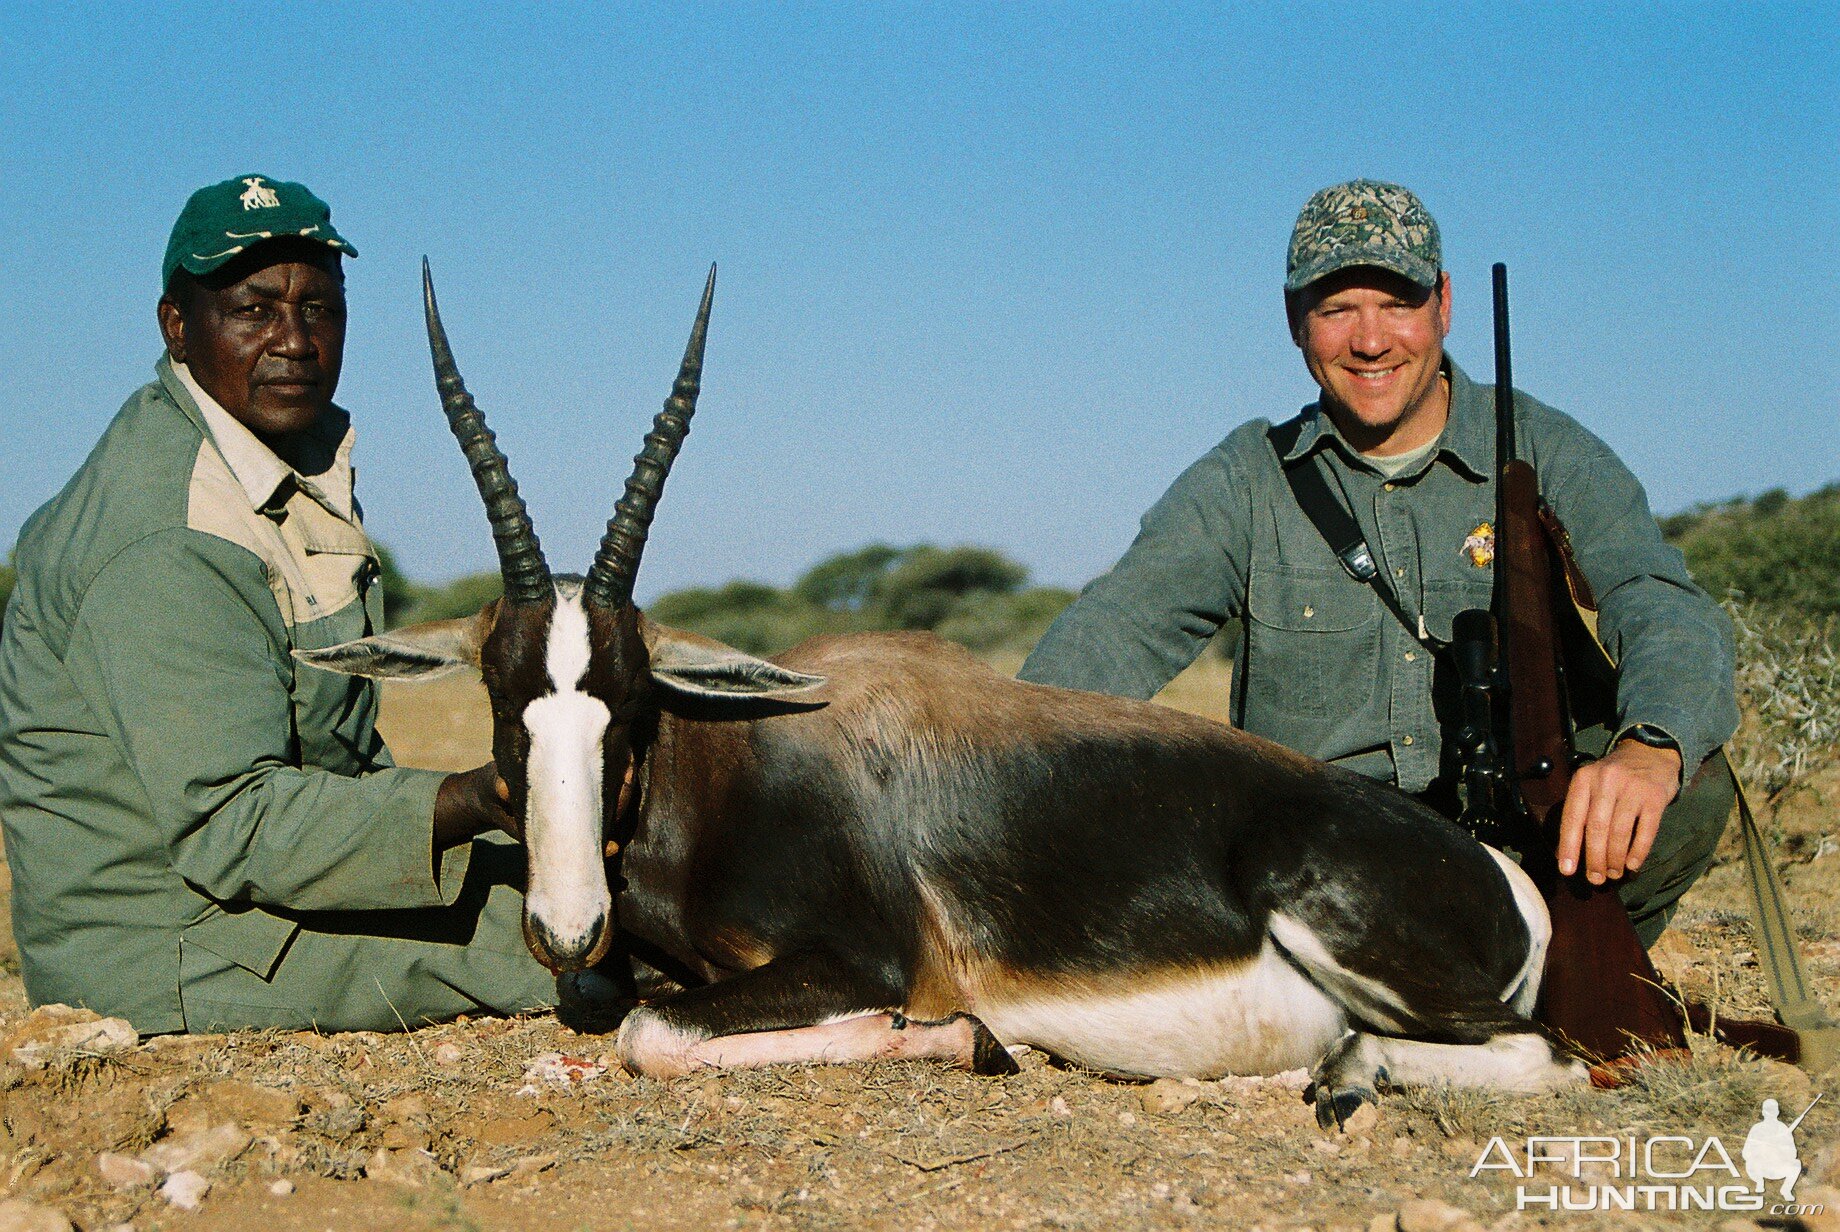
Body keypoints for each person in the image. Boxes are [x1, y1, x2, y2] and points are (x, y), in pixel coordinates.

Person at [1019, 179, 1738, 947]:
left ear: (1444, 305)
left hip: (1526, 849)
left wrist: (1650, 747)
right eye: (1336, 310)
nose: (1370, 340)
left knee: (1692, 782)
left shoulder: (1547, 448)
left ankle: (1541, 974)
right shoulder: (1244, 480)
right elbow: (1116, 629)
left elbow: (1658, 600)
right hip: (1322, 868)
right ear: (1295, 322)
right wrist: (993, 761)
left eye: (1397, 303)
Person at [0, 174, 556, 1033]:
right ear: (177, 326)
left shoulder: (278, 461)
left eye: (320, 309)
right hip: (167, 944)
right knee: (575, 944)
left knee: (587, 883)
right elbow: (234, 821)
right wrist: (479, 797)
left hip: (264, 891)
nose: (294, 341)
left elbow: (332, 759)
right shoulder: (168, 532)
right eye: (254, 311)